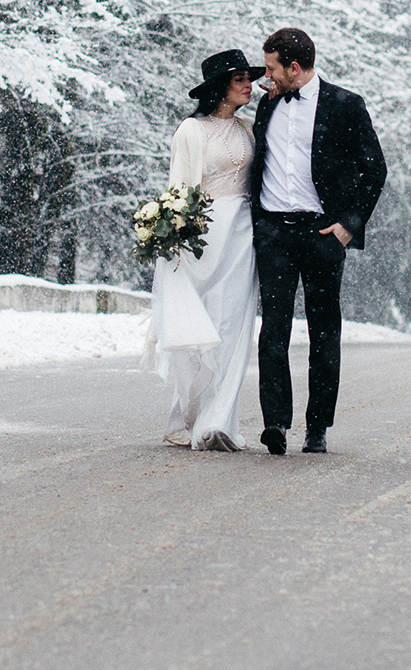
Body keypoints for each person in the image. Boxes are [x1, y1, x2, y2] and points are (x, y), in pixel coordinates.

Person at [248, 27, 387, 455]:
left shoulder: (345, 105)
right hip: (274, 231)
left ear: (294, 67)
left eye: (271, 68)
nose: (264, 77)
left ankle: (317, 427)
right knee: (273, 329)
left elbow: (375, 170)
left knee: (324, 331)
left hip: (323, 234)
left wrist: (349, 225)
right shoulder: (268, 105)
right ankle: (275, 422)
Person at [148, 49, 262, 450]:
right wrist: (172, 237)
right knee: (202, 330)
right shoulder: (191, 131)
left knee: (233, 325)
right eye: (240, 79)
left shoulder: (250, 129)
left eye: (250, 77)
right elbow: (179, 187)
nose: (249, 85)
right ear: (220, 87)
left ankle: (219, 424)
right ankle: (189, 413)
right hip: (203, 237)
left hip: (242, 234)